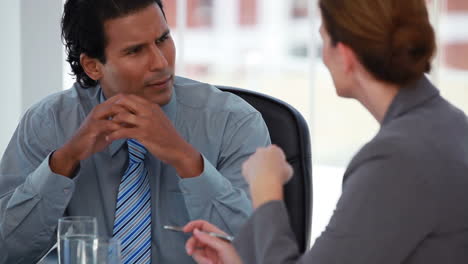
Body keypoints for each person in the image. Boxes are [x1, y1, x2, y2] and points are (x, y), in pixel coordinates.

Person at [183, 0, 468, 263]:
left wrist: (266, 188)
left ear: (345, 55)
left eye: (323, 39)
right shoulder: (449, 124)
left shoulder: (398, 158)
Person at [0, 0, 270, 263]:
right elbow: (7, 251)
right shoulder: (48, 123)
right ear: (93, 66)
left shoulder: (234, 122)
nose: (160, 62)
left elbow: (258, 251)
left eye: (163, 39)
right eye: (135, 51)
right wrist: (62, 163)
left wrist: (186, 159)